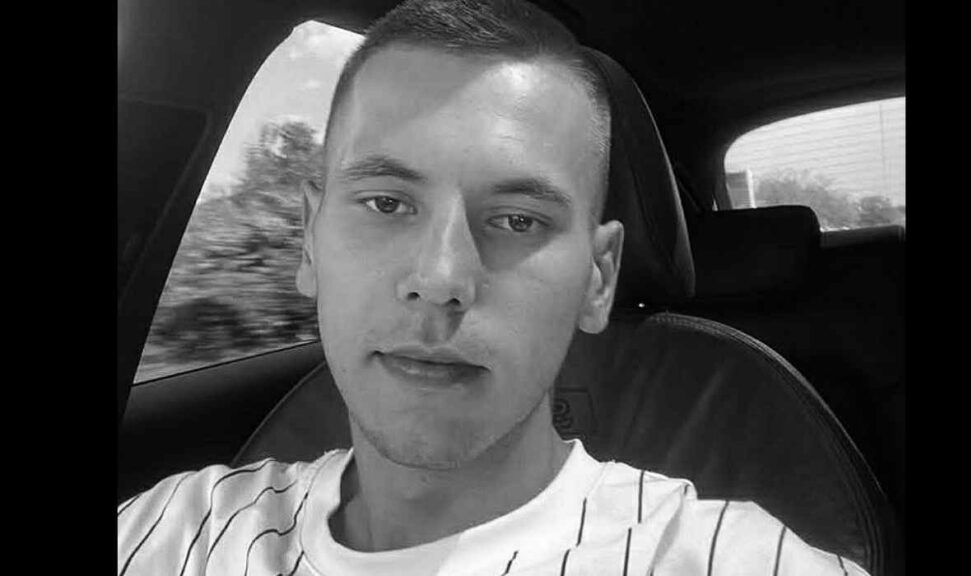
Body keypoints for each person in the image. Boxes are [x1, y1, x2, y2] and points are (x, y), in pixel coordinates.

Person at [117, 0, 870, 574]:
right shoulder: (172, 531)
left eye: (516, 219)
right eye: (387, 204)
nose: (440, 279)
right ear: (310, 239)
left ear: (599, 277)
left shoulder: (718, 556)